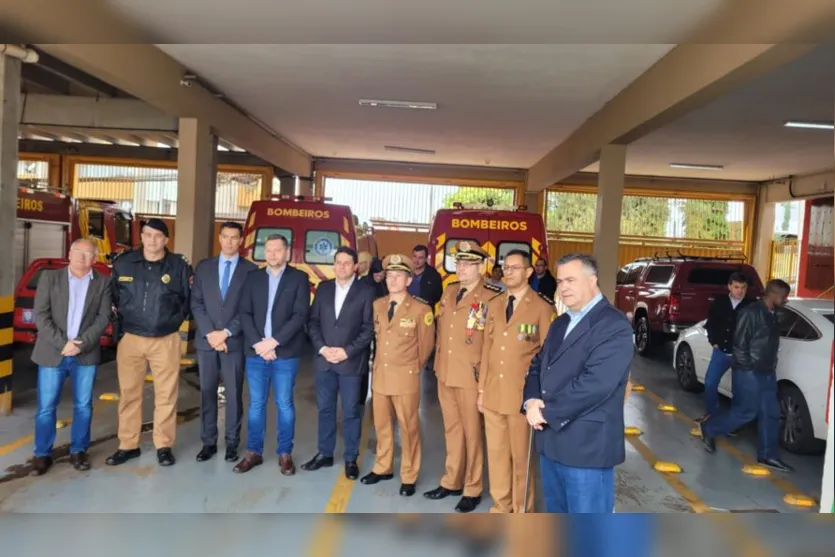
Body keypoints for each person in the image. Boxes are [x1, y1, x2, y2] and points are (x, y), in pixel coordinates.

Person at [523, 253, 635, 513]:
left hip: (587, 448)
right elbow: (538, 365)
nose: (563, 287)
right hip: (552, 442)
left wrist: (546, 412)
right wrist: (530, 401)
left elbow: (596, 384)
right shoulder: (561, 322)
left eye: (571, 280)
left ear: (592, 280)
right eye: (560, 281)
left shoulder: (614, 325)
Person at [106, 218, 193, 467]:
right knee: (129, 394)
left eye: (158, 236)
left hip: (165, 339)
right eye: (147, 235)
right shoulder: (124, 263)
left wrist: (173, 321)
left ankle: (163, 445)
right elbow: (113, 297)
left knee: (166, 395)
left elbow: (188, 302)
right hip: (131, 338)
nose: (152, 240)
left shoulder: (178, 266)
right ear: (141, 236)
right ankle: (128, 445)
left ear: (166, 240)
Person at [423, 241, 502, 513]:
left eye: (468, 263)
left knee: (472, 434)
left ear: (481, 267)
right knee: (452, 431)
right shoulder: (449, 291)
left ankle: (472, 487)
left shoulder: (492, 297)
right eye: (459, 263)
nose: (462, 268)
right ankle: (451, 481)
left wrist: (485, 382)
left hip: (471, 377)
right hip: (445, 373)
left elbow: (492, 343)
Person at [478, 249, 556, 513]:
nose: (508, 272)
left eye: (514, 267)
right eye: (506, 267)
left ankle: (522, 512)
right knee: (497, 458)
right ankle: (501, 508)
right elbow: (487, 349)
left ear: (529, 272)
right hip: (492, 393)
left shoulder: (543, 308)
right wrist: (481, 390)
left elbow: (548, 357)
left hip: (523, 397)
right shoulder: (495, 304)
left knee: (521, 460)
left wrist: (541, 399)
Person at [29, 239, 113, 475]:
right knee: (46, 407)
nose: (82, 257)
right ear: (70, 253)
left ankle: (79, 451)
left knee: (84, 406)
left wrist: (81, 344)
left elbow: (103, 317)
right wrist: (63, 343)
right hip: (52, 352)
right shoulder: (50, 278)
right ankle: (42, 454)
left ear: (95, 259)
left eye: (88, 254)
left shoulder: (103, 283)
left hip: (84, 355)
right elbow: (41, 315)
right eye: (78, 252)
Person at [234, 233, 310, 475]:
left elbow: (300, 315)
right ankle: (253, 452)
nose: (273, 255)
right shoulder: (252, 278)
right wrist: (259, 344)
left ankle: (285, 453)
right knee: (256, 404)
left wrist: (273, 343)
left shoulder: (299, 278)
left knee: (284, 404)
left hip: (284, 353)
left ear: (286, 252)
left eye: (278, 250)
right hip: (256, 353)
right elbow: (244, 313)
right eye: (269, 250)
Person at [700, 279, 794, 473]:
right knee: (746, 412)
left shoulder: (772, 313)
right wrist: (748, 368)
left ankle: (768, 455)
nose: (786, 301)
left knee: (771, 413)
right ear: (774, 295)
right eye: (784, 297)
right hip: (748, 371)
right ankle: (710, 428)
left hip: (767, 370)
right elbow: (740, 345)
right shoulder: (751, 313)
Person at [360, 254, 435, 497]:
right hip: (381, 376)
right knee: (381, 426)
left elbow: (425, 347)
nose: (393, 280)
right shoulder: (378, 305)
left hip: (406, 378)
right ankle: (383, 467)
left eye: (399, 276)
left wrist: (410, 367)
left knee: (409, 427)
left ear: (409, 280)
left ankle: (409, 474)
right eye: (390, 275)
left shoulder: (421, 309)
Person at [303, 246, 375, 480]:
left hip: (350, 363)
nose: (342, 266)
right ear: (333, 265)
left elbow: (368, 328)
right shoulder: (323, 289)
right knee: (325, 409)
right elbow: (312, 322)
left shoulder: (366, 291)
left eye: (347, 263)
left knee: (352, 411)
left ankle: (350, 458)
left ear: (355, 266)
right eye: (338, 262)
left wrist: (347, 351)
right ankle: (324, 453)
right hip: (325, 361)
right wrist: (323, 348)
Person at [190, 222, 257, 463]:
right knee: (207, 392)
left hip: (234, 342)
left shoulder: (250, 271)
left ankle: (231, 443)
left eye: (234, 238)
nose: (229, 242)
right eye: (225, 237)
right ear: (219, 238)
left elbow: (249, 308)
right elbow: (196, 302)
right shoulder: (204, 267)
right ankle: (208, 442)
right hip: (207, 342)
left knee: (234, 393)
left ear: (241, 241)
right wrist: (211, 333)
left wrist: (226, 332)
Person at [698, 271, 753, 422]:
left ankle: (732, 422)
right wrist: (714, 343)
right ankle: (712, 414)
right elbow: (711, 325)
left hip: (741, 356)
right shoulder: (719, 302)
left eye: (743, 287)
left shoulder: (751, 306)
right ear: (729, 286)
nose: (740, 291)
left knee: (738, 390)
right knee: (710, 383)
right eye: (736, 287)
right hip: (721, 352)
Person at [407, 244, 443, 308]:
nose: (416, 260)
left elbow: (437, 296)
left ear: (426, 259)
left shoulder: (434, 276)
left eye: (420, 258)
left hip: (425, 313)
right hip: (405, 312)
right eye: (415, 256)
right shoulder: (405, 272)